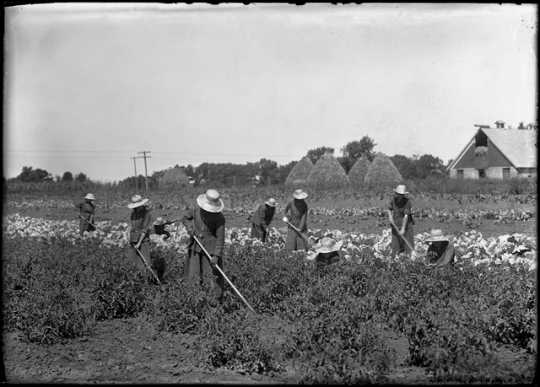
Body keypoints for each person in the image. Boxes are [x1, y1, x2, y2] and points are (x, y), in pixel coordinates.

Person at [182, 189, 226, 304]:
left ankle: (212, 303)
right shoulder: (196, 209)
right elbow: (185, 218)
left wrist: (216, 255)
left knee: (210, 277)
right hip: (196, 246)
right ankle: (194, 301)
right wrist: (189, 228)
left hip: (210, 250)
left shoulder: (220, 218)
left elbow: (220, 239)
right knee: (194, 274)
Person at [127, 194, 158, 281]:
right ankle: (135, 281)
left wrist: (139, 243)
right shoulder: (133, 213)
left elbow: (145, 230)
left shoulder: (147, 214)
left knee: (145, 262)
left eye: (138, 206)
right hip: (133, 240)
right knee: (133, 261)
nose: (136, 208)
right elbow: (130, 225)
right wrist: (127, 235)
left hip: (143, 241)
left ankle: (147, 282)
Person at [387, 184, 415, 257]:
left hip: (407, 225)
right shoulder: (393, 199)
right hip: (395, 223)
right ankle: (395, 258)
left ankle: (409, 257)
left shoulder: (407, 202)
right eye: (399, 194)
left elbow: (406, 216)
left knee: (408, 242)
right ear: (396, 193)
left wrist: (403, 229)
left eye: (401, 195)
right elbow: (389, 209)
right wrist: (390, 217)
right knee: (395, 243)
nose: (400, 196)